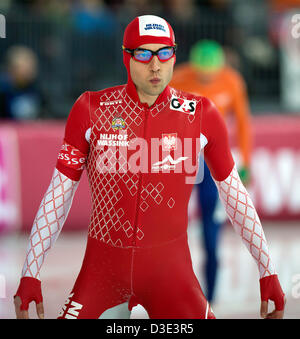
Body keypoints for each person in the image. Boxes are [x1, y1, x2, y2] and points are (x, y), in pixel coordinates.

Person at [14, 15, 285, 319]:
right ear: (125, 58)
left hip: (172, 276)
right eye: (143, 54)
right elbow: (58, 196)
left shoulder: (201, 114)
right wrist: (30, 273)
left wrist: (267, 270)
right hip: (101, 276)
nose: (155, 65)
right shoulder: (90, 109)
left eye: (164, 53)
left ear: (174, 56)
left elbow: (236, 197)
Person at [170, 40, 252, 303]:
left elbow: (242, 123)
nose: (206, 77)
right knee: (170, 225)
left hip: (210, 160)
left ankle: (211, 295)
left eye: (210, 73)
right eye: (201, 72)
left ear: (220, 68)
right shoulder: (179, 78)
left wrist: (246, 162)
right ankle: (167, 288)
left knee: (210, 228)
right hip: (180, 159)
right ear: (194, 67)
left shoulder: (232, 81)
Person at [0, 45, 46, 120]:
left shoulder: (37, 90)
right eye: (24, 67)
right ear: (12, 68)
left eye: (31, 66)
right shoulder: (3, 91)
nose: (29, 70)